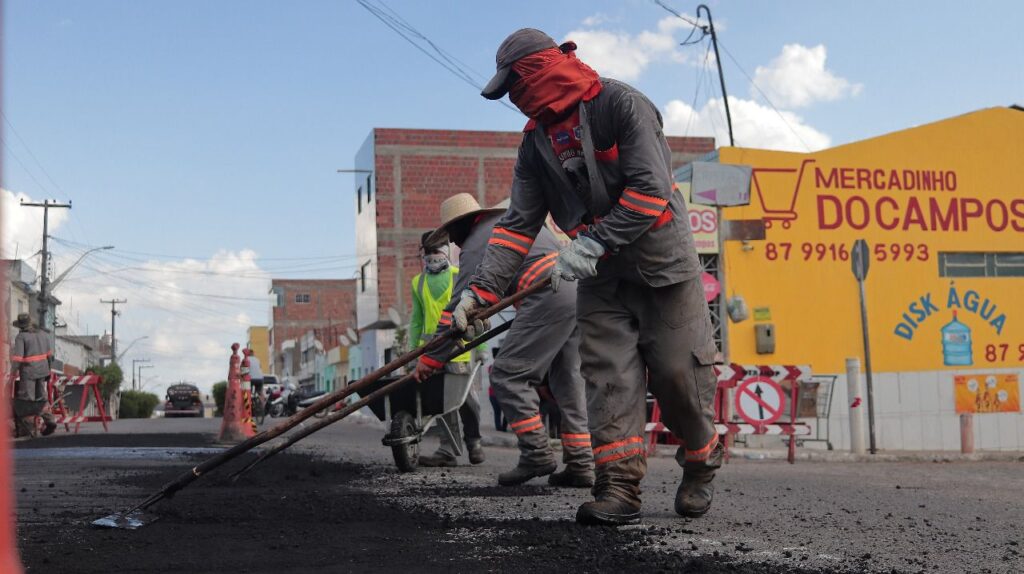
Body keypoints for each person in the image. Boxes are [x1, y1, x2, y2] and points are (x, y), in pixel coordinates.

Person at [452, 29, 723, 525]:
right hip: (599, 279)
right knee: (606, 378)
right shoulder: (535, 143)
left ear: (537, 71)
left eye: (515, 86)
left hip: (662, 267)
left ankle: (701, 462)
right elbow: (517, 226)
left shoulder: (620, 105)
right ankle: (618, 487)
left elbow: (651, 188)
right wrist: (479, 291)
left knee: (677, 373)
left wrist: (596, 240)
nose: (514, 99)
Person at [414, 193, 594, 488]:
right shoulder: (514, 221)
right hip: (574, 290)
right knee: (568, 380)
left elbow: (458, 307)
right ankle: (581, 463)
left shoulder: (474, 244)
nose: (454, 243)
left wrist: (431, 359)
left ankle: (536, 452)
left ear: (461, 225)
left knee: (508, 374)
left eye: (452, 235)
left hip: (545, 294)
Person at [409, 230, 485, 467]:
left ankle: (474, 442)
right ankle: (447, 449)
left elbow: (476, 312)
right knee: (440, 402)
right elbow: (416, 321)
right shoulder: (418, 282)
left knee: (465, 399)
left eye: (437, 250)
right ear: (423, 253)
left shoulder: (458, 275)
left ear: (446, 250)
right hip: (430, 352)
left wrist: (480, 347)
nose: (433, 256)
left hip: (458, 348)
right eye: (428, 252)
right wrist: (413, 352)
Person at [11, 313, 56, 438]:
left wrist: (12, 373)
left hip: (29, 372)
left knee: (27, 400)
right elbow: (50, 356)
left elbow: (18, 358)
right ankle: (50, 420)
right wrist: (48, 371)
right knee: (41, 398)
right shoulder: (43, 335)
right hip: (43, 371)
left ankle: (28, 429)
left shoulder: (21, 337)